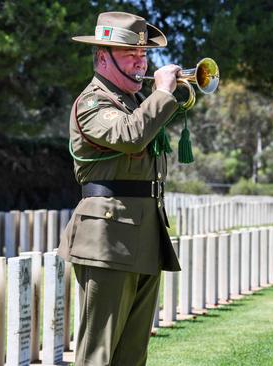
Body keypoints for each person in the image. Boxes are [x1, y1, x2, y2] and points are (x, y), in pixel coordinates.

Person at [56, 11, 182, 366]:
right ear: (102, 57)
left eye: (143, 55)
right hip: (107, 239)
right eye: (131, 55)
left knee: (132, 355)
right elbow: (129, 136)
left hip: (144, 235)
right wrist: (161, 94)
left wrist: (164, 97)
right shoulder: (93, 102)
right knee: (98, 353)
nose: (141, 62)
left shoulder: (133, 102)